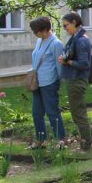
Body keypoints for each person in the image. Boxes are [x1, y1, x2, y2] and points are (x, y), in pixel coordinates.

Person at [28, 16, 66, 148]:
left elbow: (59, 65)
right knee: (36, 112)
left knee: (52, 111)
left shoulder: (56, 44)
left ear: (44, 30)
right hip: (37, 81)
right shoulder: (40, 41)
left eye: (35, 31)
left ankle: (60, 139)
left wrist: (58, 83)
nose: (35, 34)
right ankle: (40, 139)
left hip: (49, 82)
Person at [58, 12, 92, 151]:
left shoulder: (81, 40)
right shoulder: (76, 37)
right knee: (76, 112)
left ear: (74, 22)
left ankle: (86, 144)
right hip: (73, 79)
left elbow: (84, 64)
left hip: (77, 80)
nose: (65, 28)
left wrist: (68, 62)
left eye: (66, 25)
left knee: (78, 113)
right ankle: (85, 142)